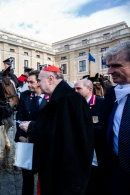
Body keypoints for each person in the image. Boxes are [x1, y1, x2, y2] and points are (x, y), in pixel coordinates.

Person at [19, 65, 94, 195]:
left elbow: (60, 134)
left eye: (40, 81)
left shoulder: (67, 99)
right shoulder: (62, 98)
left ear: (51, 79)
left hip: (64, 172)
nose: (38, 84)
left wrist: (31, 127)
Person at [101, 41, 130, 195]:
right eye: (108, 66)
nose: (109, 71)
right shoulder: (112, 93)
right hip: (116, 170)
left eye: (116, 65)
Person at [15, 70, 49, 195]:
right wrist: (21, 135)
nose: (28, 85)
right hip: (26, 141)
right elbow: (19, 116)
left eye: (31, 82)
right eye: (27, 82)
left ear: (39, 82)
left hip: (43, 144)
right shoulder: (24, 95)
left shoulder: (50, 97)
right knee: (27, 178)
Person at [74, 79, 105, 195]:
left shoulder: (101, 103)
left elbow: (105, 127)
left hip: (96, 154)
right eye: (74, 89)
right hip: (78, 154)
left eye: (79, 89)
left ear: (90, 89)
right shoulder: (73, 104)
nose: (75, 91)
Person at [0, 58, 18, 125]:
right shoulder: (1, 73)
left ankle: (8, 118)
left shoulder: (11, 74)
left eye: (8, 64)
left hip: (10, 94)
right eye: (5, 64)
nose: (6, 65)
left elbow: (15, 84)